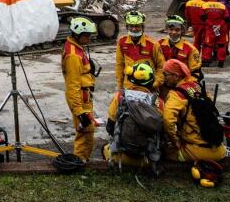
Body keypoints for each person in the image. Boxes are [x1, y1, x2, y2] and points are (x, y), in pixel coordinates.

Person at [161, 58, 226, 171]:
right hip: (219, 150)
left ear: (176, 76)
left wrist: (175, 141)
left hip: (196, 151)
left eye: (165, 74)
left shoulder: (176, 94)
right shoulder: (198, 87)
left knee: (162, 152)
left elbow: (167, 120)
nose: (164, 77)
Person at [104, 62, 164, 170]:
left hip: (121, 157)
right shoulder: (158, 102)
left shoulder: (120, 96)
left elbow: (110, 125)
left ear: (131, 79)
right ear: (151, 80)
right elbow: (161, 129)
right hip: (147, 160)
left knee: (104, 148)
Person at [61, 16, 99, 161]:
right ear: (78, 34)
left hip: (84, 96)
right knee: (85, 131)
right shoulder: (73, 56)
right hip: (81, 100)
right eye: (87, 35)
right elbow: (72, 85)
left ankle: (82, 159)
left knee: (86, 131)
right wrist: (79, 112)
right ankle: (80, 161)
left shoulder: (76, 48)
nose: (89, 38)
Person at [115, 11, 165, 93]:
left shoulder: (153, 44)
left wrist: (156, 83)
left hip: (148, 88)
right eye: (131, 26)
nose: (134, 29)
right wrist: (120, 86)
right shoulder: (121, 42)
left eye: (137, 26)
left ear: (142, 27)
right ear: (127, 27)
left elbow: (161, 66)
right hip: (129, 88)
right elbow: (120, 65)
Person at [157, 15, 201, 99]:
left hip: (180, 88)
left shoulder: (191, 49)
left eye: (177, 30)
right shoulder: (158, 44)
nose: (173, 32)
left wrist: (184, 87)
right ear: (167, 29)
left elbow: (195, 73)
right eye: (171, 29)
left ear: (182, 31)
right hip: (161, 85)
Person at [201, 0, 230, 68]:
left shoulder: (204, 6)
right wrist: (219, 25)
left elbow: (203, 18)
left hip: (210, 29)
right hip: (222, 28)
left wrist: (212, 25)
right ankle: (221, 62)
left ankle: (206, 61)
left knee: (208, 45)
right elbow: (226, 18)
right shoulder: (222, 6)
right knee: (221, 45)